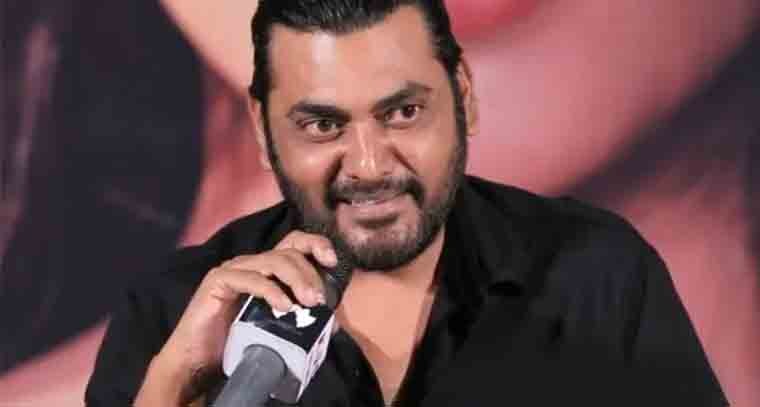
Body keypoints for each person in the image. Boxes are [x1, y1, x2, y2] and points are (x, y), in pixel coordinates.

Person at [85, 1, 726, 406]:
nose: (369, 167)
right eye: (323, 126)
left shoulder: (597, 275)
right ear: (264, 129)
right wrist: (170, 386)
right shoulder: (174, 314)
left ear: (463, 96)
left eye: (404, 113)